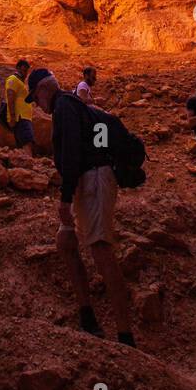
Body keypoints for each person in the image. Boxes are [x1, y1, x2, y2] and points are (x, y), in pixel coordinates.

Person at [26, 67, 135, 347]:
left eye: (35, 99)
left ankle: (125, 336)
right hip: (83, 180)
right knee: (66, 242)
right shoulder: (68, 105)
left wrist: (64, 197)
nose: (37, 106)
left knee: (100, 249)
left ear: (42, 91)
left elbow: (72, 150)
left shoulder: (63, 106)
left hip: (94, 177)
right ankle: (87, 316)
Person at [4, 58, 34, 156]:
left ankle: (24, 165)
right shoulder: (13, 79)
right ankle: (29, 164)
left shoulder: (20, 82)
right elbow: (10, 96)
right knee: (27, 141)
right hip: (20, 117)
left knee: (24, 141)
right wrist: (12, 116)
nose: (25, 73)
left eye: (26, 71)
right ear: (17, 68)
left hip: (24, 117)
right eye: (23, 70)